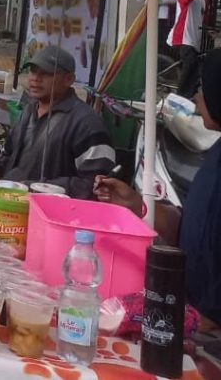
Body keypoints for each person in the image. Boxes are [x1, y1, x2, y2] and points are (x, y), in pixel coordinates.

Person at [95, 49, 221, 328]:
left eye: (203, 88)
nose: (197, 98)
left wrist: (210, 320)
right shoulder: (215, 155)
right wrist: (137, 204)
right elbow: (191, 229)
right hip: (189, 313)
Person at [0, 46, 115, 199]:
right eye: (33, 71)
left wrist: (36, 187)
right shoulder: (29, 110)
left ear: (68, 79)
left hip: (50, 208)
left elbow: (96, 185)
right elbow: (7, 153)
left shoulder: (88, 123)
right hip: (10, 200)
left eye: (46, 73)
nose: (35, 78)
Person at [168, 0, 219, 98]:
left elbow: (202, 21)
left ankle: (189, 96)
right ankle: (180, 97)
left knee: (196, 69)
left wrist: (210, 32)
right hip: (182, 38)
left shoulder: (204, 0)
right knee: (190, 63)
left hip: (194, 40)